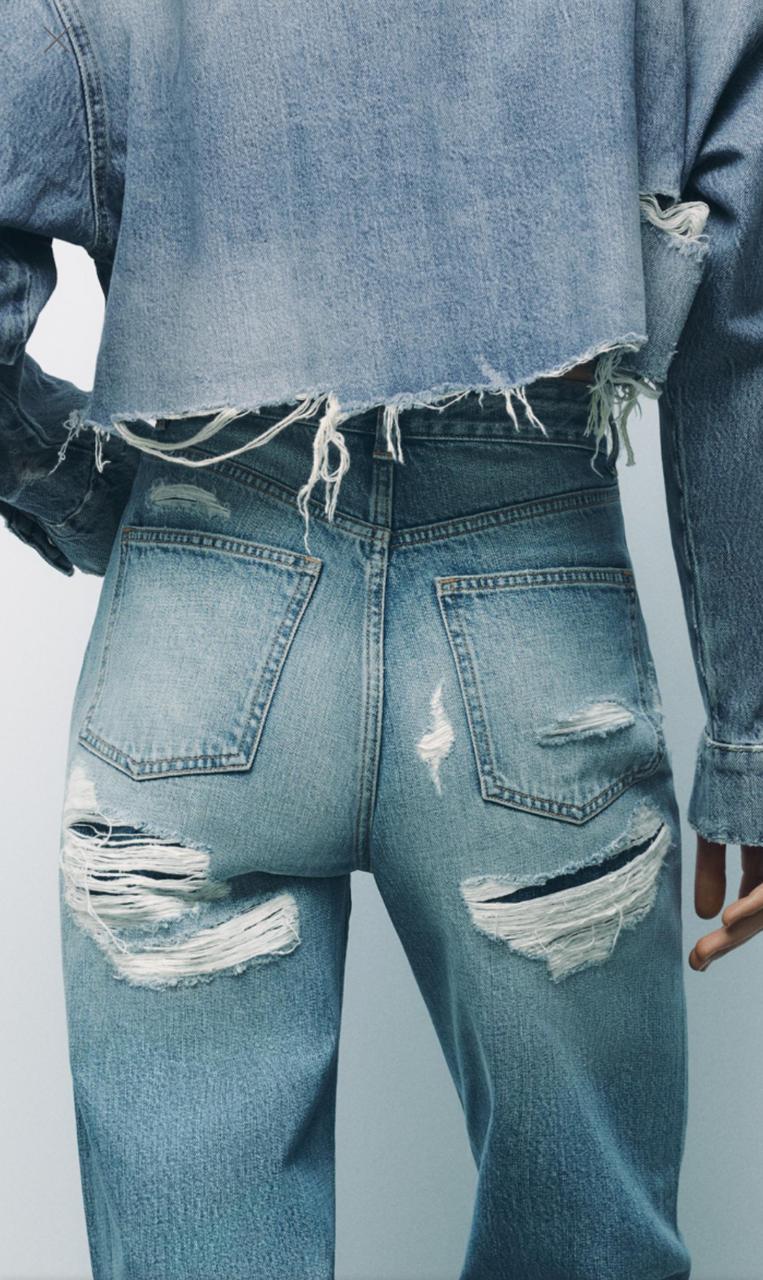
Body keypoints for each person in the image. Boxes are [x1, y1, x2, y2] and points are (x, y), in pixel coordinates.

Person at [2, 2, 761, 1277]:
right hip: (531, 622)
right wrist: (748, 731)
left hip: (199, 618)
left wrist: (93, 495)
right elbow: (743, 307)